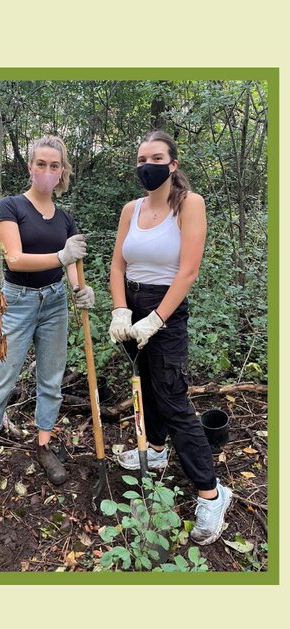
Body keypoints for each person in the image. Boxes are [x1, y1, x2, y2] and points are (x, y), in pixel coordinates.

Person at [107, 130, 232, 545]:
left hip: (166, 311)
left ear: (172, 164)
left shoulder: (189, 205)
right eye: (142, 158)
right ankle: (156, 450)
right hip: (134, 306)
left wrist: (157, 319)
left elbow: (188, 271)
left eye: (156, 158)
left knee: (174, 399)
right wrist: (121, 309)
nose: (148, 165)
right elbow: (117, 266)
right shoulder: (131, 208)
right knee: (145, 387)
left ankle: (212, 494)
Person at [0, 136, 91, 494]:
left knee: (51, 379)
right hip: (16, 302)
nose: (47, 171)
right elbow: (14, 258)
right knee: (1, 377)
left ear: (62, 172)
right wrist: (62, 257)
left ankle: (43, 444)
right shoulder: (11, 207)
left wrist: (80, 289)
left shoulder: (65, 219)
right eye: (41, 164)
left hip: (55, 303)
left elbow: (74, 266)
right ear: (30, 166)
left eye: (55, 166)